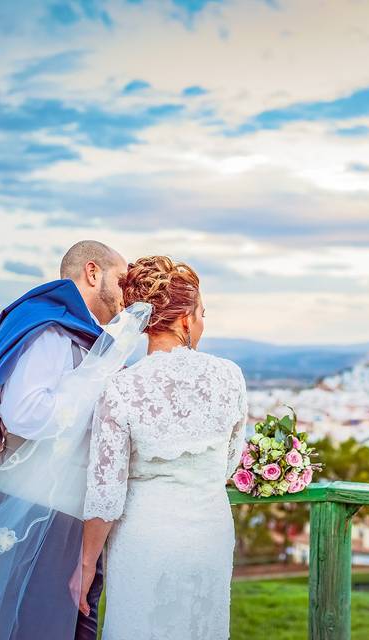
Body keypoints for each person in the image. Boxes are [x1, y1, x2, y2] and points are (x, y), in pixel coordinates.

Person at [0, 240, 127, 640]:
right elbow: (24, 415)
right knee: (33, 623)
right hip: (37, 509)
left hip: (64, 508)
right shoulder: (47, 332)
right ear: (92, 272)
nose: (125, 293)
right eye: (121, 278)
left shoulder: (75, 334)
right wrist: (95, 382)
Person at [79, 256, 248, 640]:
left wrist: (87, 562)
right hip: (209, 531)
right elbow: (229, 462)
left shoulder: (120, 387)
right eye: (202, 313)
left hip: (145, 534)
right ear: (186, 319)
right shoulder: (230, 376)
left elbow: (106, 493)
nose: (202, 323)